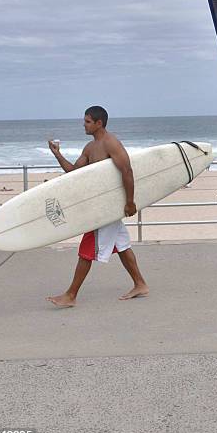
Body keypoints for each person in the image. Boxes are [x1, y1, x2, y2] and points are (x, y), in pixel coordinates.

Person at [46, 105, 149, 308]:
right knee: (122, 246)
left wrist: (130, 202)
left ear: (98, 123)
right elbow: (74, 172)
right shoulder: (90, 148)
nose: (83, 124)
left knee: (87, 248)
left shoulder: (111, 143)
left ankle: (71, 295)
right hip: (101, 205)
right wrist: (57, 154)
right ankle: (140, 284)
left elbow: (127, 171)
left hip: (107, 208)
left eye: (87, 121)